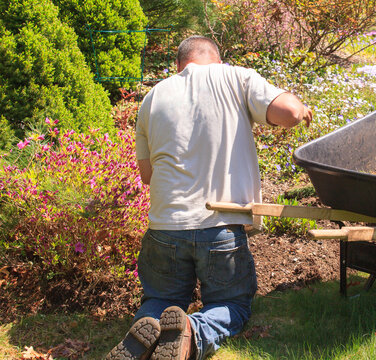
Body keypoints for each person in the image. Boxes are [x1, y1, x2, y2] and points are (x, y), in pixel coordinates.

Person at [106, 35, 312, 360]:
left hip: (164, 228)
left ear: (179, 65)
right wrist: (300, 110)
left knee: (159, 299)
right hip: (219, 223)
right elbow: (287, 112)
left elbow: (148, 176)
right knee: (231, 304)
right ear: (216, 59)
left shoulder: (152, 97)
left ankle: (143, 336)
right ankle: (194, 334)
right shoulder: (234, 77)